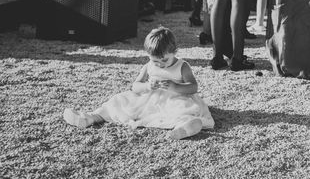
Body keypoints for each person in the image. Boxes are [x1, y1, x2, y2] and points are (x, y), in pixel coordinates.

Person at [62, 26, 215, 140]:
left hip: (175, 98)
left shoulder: (182, 66)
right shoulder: (149, 66)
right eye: (156, 61)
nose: (160, 65)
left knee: (181, 111)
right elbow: (135, 86)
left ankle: (185, 128)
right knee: (119, 102)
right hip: (148, 99)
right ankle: (90, 117)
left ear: (174, 52)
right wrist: (147, 86)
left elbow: (193, 87)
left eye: (164, 60)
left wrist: (175, 86)